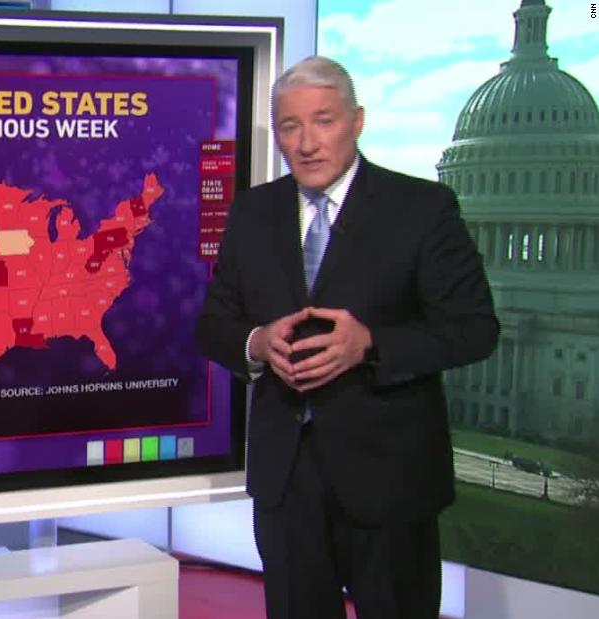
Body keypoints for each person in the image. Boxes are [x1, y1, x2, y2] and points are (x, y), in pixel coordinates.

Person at [195, 56, 498, 619]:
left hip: (389, 479)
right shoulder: (254, 212)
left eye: (324, 120)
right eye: (291, 126)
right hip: (287, 481)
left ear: (357, 121)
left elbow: (474, 329)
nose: (307, 143)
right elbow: (214, 325)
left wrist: (370, 344)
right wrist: (257, 342)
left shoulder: (421, 209)